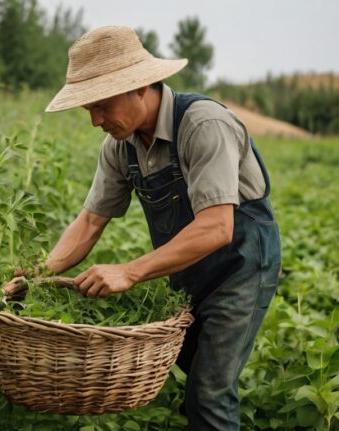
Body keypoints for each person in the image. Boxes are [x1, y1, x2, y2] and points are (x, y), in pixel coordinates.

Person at [14, 26, 281, 430]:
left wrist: (129, 271)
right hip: (188, 269)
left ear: (140, 87)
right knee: (193, 374)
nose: (95, 121)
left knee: (209, 391)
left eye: (101, 106)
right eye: (89, 110)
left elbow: (216, 228)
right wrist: (36, 276)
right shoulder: (120, 146)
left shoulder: (203, 125)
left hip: (240, 268)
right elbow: (89, 221)